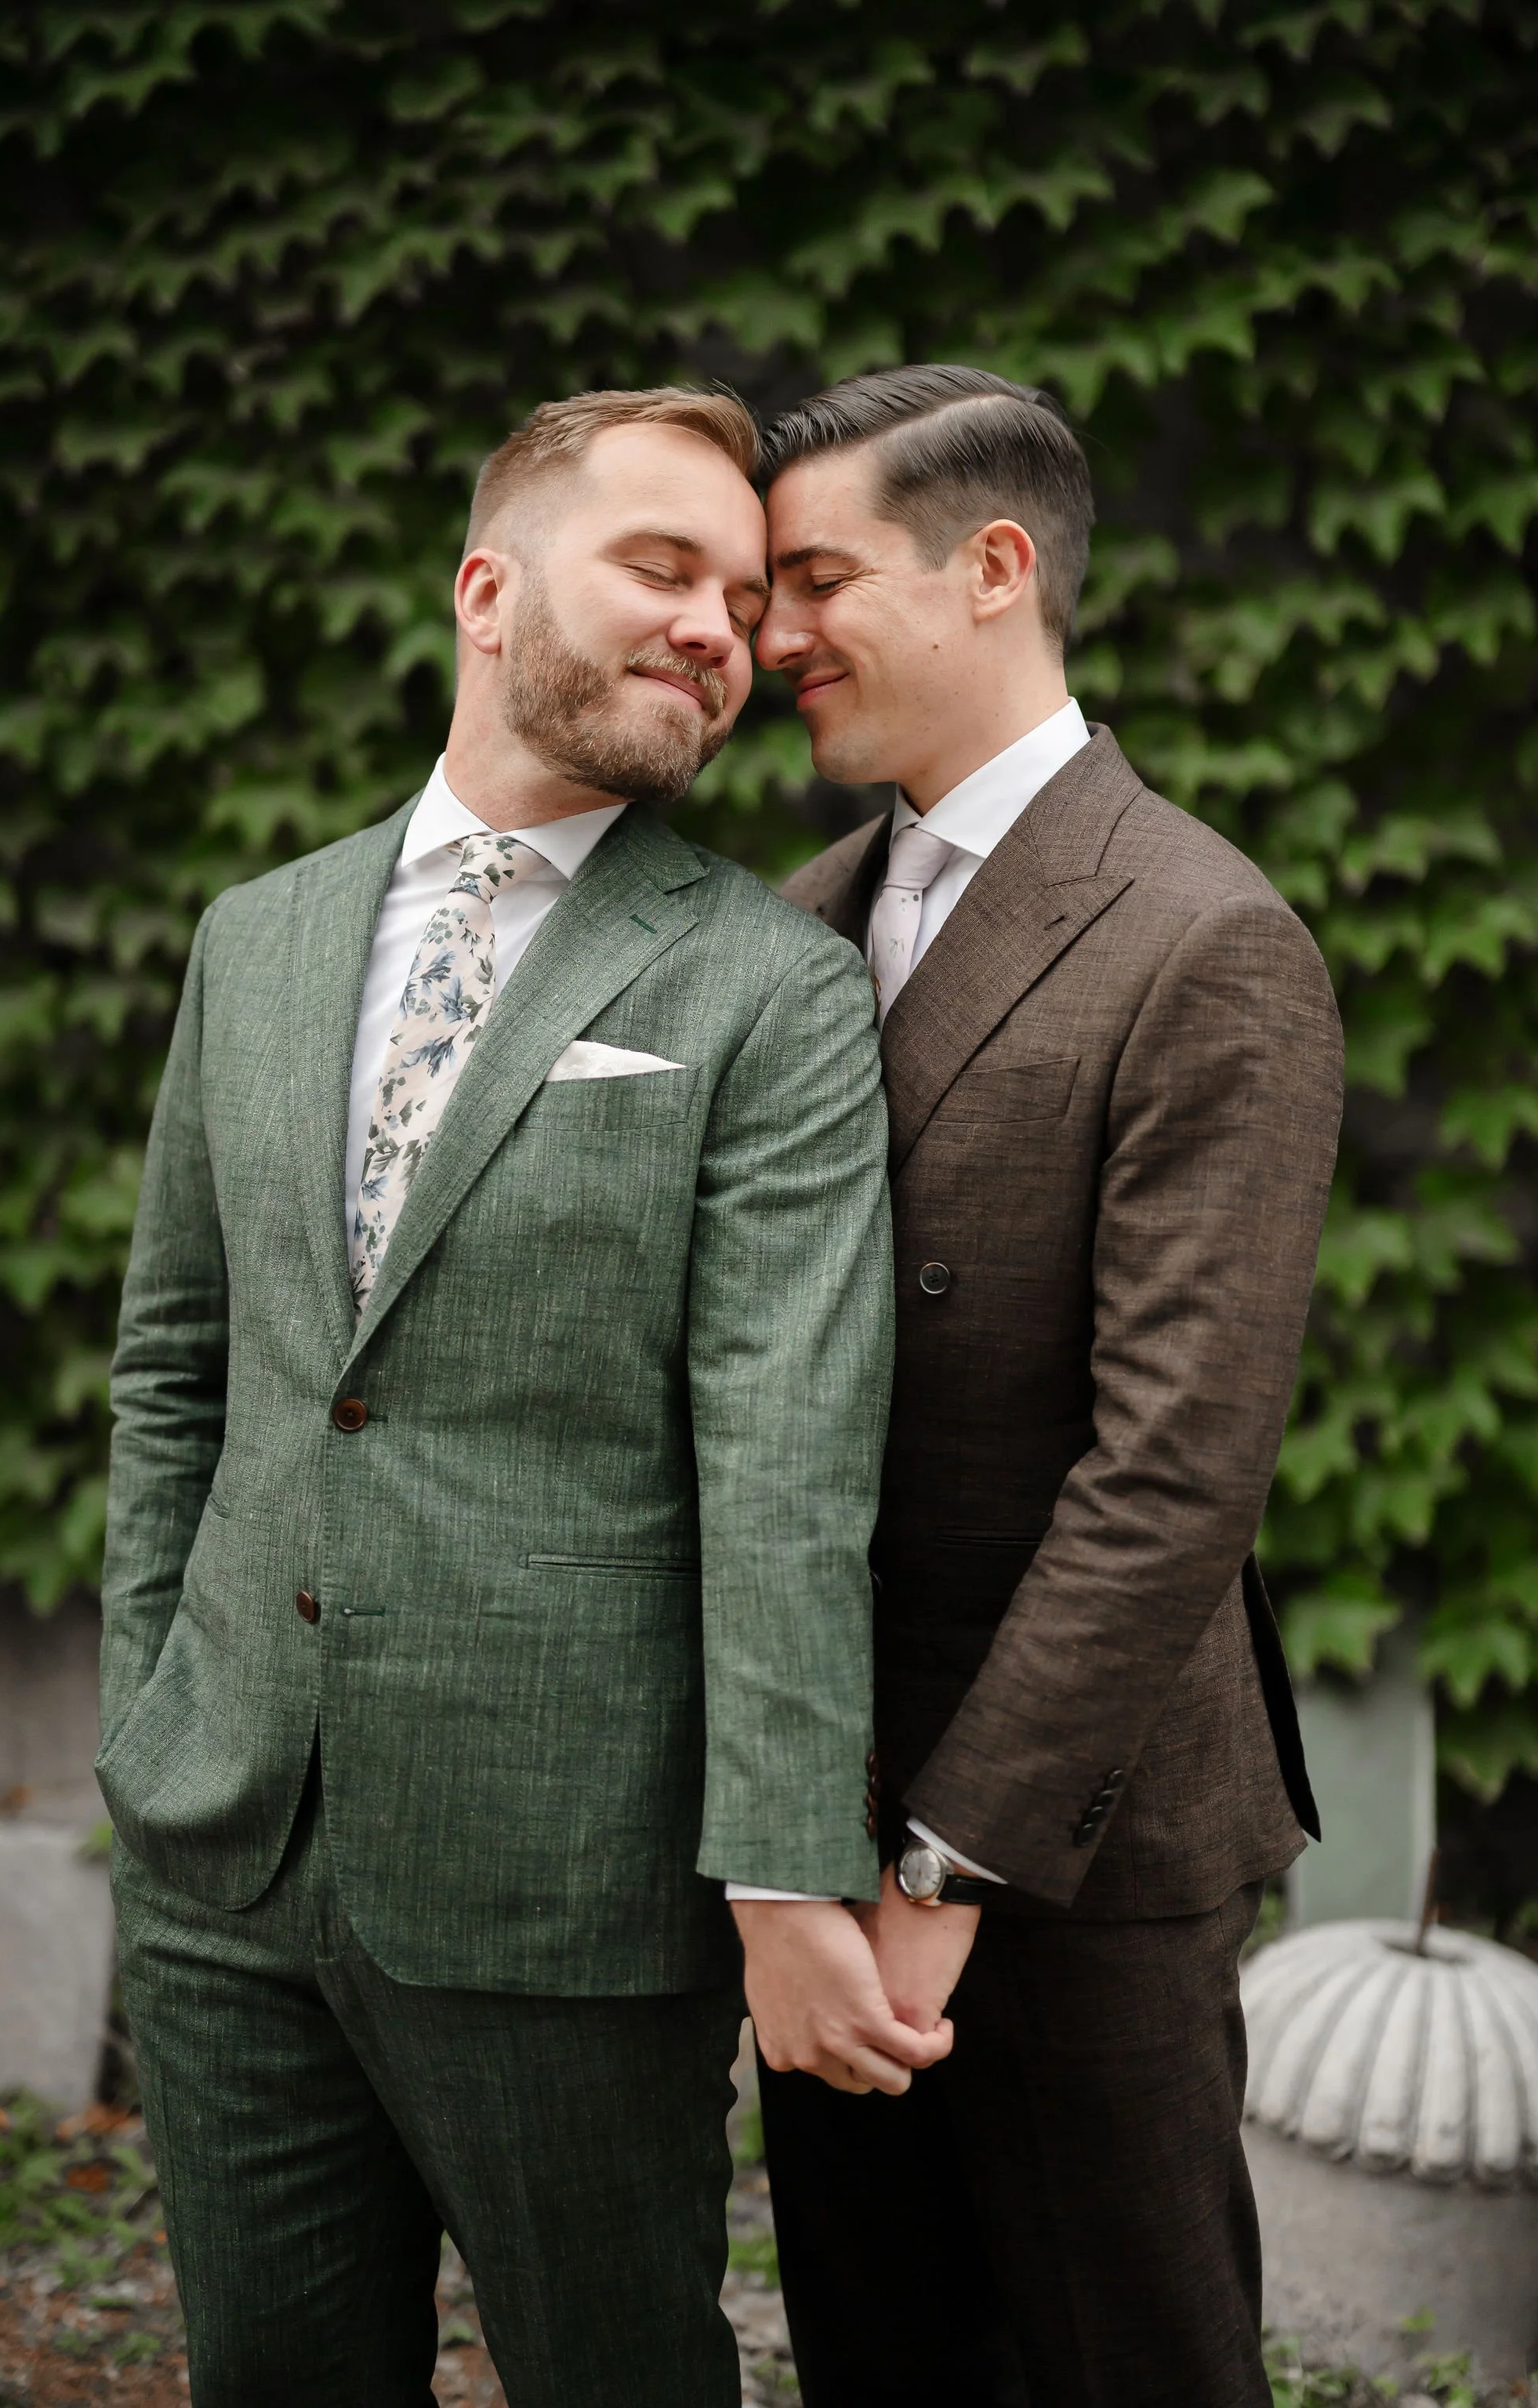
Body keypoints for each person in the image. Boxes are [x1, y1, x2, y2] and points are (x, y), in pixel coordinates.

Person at [98, 383, 946, 2408]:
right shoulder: (260, 937)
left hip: (568, 1893)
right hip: (226, 1860)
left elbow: (786, 1452)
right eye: (662, 566)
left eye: (744, 599)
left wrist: (779, 1869)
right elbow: (175, 1360)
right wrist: (151, 1714)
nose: (715, 630)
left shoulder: (768, 989)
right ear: (488, 588)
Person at [754, 365, 1346, 2408]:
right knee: (880, 2358)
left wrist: (949, 1867)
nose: (767, 637)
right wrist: (797, 1846)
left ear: (993, 566)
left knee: (1130, 2364)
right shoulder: (797, 923)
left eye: (816, 578)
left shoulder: (1206, 937)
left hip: (1072, 1848)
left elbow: (1173, 1472)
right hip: (821, 1837)